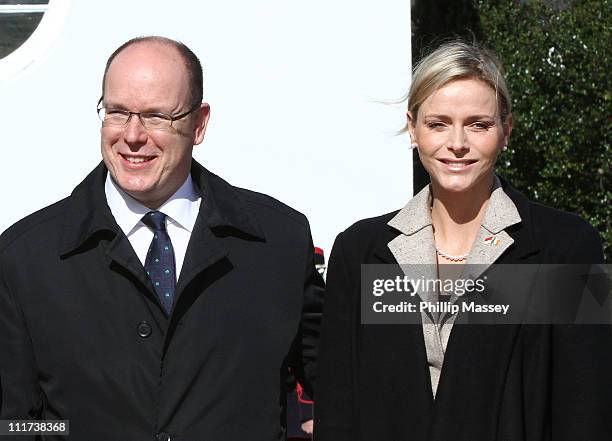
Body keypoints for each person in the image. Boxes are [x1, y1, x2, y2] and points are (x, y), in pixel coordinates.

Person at [0, 36, 324, 441]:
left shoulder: (277, 242)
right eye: (117, 112)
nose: (132, 136)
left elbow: (341, 385)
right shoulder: (27, 257)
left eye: (155, 117)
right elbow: (14, 422)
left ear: (199, 122)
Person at [315, 41, 612, 441]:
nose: (457, 143)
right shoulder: (359, 252)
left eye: (478, 124)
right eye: (438, 123)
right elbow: (338, 408)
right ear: (413, 128)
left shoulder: (569, 247)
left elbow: (588, 406)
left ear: (506, 129)